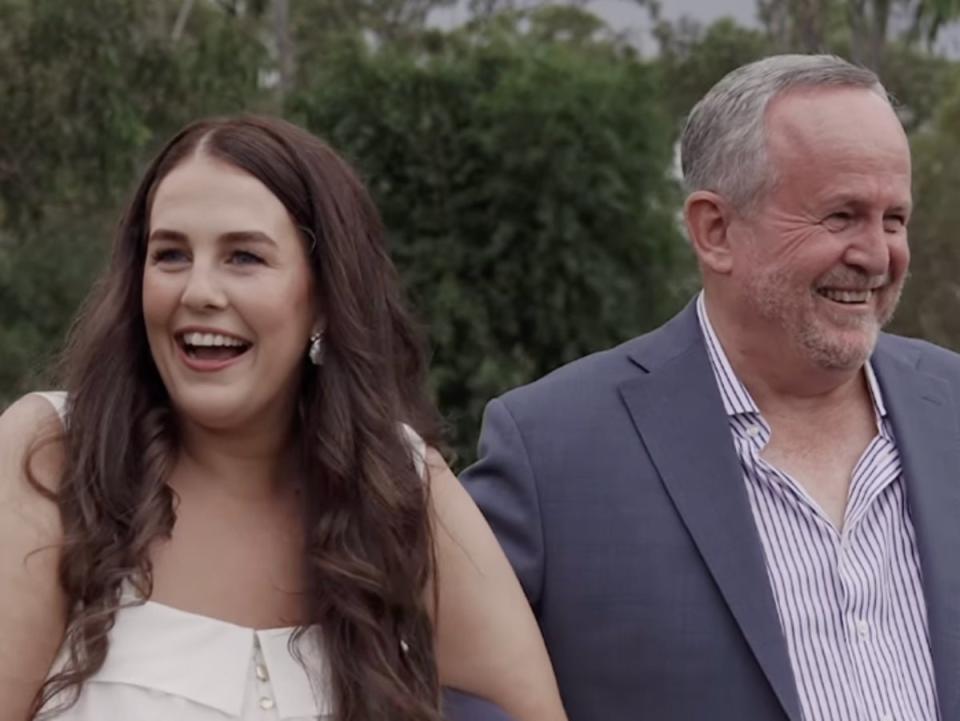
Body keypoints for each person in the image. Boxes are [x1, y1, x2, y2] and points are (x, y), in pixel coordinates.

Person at [0, 116, 566, 721]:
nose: (199, 291)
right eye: (170, 255)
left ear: (323, 297)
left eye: (243, 257)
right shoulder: (52, 453)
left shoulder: (398, 481)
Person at [454, 54, 960, 721]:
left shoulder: (950, 407)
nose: (876, 254)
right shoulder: (553, 451)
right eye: (841, 216)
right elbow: (442, 684)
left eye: (893, 219)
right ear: (715, 230)